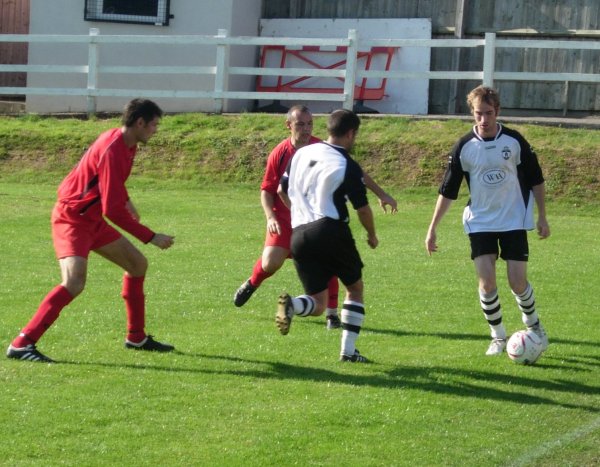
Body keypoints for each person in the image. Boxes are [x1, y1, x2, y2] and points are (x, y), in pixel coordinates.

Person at [6, 98, 176, 363]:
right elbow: (112, 209)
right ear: (139, 122)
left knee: (137, 265)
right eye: (154, 124)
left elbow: (109, 181)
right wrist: (150, 236)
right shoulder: (113, 148)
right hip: (72, 219)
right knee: (74, 282)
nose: (156, 130)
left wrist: (127, 199)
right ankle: (22, 343)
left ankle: (136, 337)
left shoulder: (126, 144)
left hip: (92, 219)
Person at [233, 105, 396, 331]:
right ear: (288, 125)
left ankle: (332, 314)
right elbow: (269, 190)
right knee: (271, 263)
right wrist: (271, 216)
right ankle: (252, 283)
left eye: (310, 123)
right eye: (301, 124)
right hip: (284, 218)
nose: (307, 129)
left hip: (311, 219)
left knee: (327, 260)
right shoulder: (280, 153)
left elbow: (355, 171)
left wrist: (381, 193)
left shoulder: (321, 147)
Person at [425, 85, 550, 356]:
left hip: (514, 219)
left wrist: (542, 216)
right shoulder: (463, 147)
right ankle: (498, 336)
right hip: (480, 221)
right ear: (472, 113)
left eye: (489, 113)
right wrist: (432, 228)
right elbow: (448, 191)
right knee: (487, 283)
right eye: (478, 114)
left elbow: (537, 179)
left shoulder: (514, 141)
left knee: (518, 282)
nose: (483, 120)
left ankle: (534, 326)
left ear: (498, 112)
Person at [277, 109, 378, 363]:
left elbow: (281, 190)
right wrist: (372, 235)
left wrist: (300, 212)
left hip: (299, 233)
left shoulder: (302, 153)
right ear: (351, 133)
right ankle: (348, 352)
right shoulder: (346, 164)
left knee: (318, 303)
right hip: (330, 229)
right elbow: (363, 209)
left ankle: (293, 306)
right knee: (354, 289)